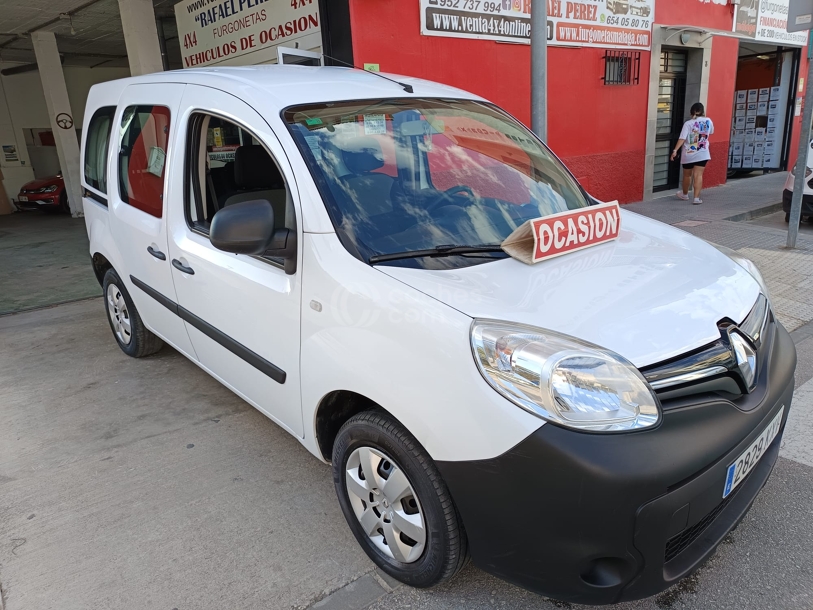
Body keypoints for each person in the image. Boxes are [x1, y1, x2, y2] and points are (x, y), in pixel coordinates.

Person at [670, 103, 714, 205]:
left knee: (687, 175)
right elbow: (710, 132)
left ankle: (685, 194)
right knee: (698, 175)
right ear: (702, 111)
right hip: (703, 152)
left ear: (691, 111)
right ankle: (696, 198)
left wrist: (675, 150)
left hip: (689, 153)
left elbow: (682, 138)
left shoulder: (688, 123)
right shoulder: (708, 121)